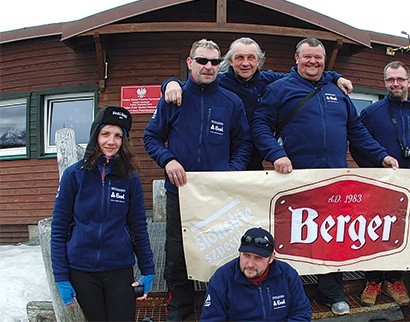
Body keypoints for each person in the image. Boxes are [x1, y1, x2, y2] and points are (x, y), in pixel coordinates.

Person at [251, 37, 399, 315]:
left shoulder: (337, 91)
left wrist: (381, 155)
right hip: (292, 181)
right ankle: (286, 296)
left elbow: (357, 132)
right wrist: (275, 153)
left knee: (331, 239)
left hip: (333, 181)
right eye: (307, 56)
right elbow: (260, 125)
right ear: (296, 59)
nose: (313, 62)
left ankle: (332, 292)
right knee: (292, 238)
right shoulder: (279, 89)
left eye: (318, 58)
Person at [144, 39, 252, 321]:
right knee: (177, 252)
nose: (208, 67)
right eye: (202, 61)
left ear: (220, 65)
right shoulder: (174, 97)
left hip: (218, 193)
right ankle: (179, 305)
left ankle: (220, 302)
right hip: (180, 191)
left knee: (223, 248)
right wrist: (168, 160)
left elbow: (243, 143)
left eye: (214, 62)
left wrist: (231, 171)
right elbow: (151, 137)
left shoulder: (231, 102)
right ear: (190, 62)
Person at [162, 36, 353, 170]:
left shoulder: (269, 81)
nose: (245, 63)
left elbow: (306, 75)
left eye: (251, 58)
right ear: (229, 61)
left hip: (256, 161)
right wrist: (170, 84)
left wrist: (335, 77)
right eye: (239, 58)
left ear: (259, 61)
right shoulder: (218, 82)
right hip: (226, 163)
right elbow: (193, 85)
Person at [349, 61, 410, 312]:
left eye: (400, 79)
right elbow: (357, 145)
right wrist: (374, 170)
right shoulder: (371, 113)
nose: (395, 84)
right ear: (385, 82)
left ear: (409, 82)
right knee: (377, 233)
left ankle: (395, 279)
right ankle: (373, 281)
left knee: (403, 234)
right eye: (390, 80)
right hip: (380, 188)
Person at [51, 105, 155, 321]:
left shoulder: (130, 178)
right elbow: (59, 228)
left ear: (124, 141)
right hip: (82, 270)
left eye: (118, 136)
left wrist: (148, 269)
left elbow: (138, 227)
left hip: (119, 268)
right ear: (95, 135)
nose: (111, 141)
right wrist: (61, 277)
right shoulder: (74, 175)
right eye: (105, 133)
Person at [200, 227, 311, 321]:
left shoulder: (287, 274)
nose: (250, 264)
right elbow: (211, 318)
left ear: (272, 257)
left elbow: (301, 312)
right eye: (246, 255)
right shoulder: (222, 278)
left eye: (258, 258)